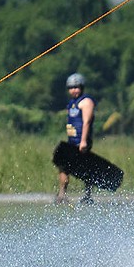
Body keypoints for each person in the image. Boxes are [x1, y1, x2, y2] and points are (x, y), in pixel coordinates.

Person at [52, 72, 123, 204]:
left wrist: (83, 141)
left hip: (82, 142)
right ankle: (62, 194)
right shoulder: (71, 104)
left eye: (76, 87)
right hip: (71, 141)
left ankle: (87, 195)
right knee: (63, 165)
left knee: (87, 167)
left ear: (82, 87)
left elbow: (87, 122)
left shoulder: (86, 102)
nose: (73, 90)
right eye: (71, 88)